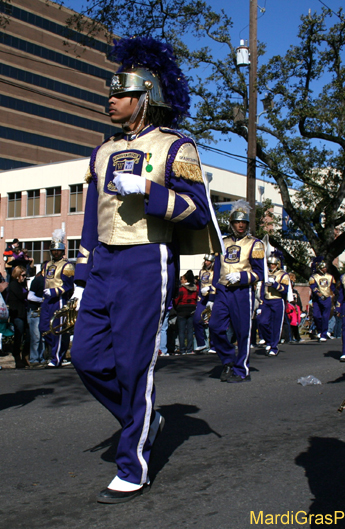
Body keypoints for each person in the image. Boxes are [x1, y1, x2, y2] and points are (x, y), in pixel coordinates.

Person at [70, 36, 221, 504]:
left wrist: (150, 193)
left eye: (121, 93)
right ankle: (143, 417)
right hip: (104, 263)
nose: (111, 99)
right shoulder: (101, 150)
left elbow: (199, 213)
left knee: (136, 365)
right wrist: (83, 259)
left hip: (147, 258)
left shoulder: (177, 147)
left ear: (146, 97)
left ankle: (132, 466)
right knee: (85, 357)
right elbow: (92, 209)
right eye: (110, 93)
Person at [209, 200, 265, 383]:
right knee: (215, 327)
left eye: (244, 222)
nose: (241, 225)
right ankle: (228, 360)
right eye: (237, 222)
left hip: (242, 292)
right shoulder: (222, 242)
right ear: (231, 223)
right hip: (223, 291)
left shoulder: (255, 244)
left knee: (243, 332)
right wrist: (212, 295)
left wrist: (241, 277)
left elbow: (259, 273)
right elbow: (216, 270)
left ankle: (242, 370)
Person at [40, 229, 74, 368]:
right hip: (47, 300)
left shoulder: (67, 266)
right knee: (43, 328)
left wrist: (53, 292)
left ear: (62, 251)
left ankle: (57, 357)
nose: (55, 253)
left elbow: (68, 286)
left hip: (59, 300)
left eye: (58, 251)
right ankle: (58, 350)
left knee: (58, 330)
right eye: (53, 250)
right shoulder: (47, 265)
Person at [257, 252, 290, 356]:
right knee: (262, 322)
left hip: (277, 300)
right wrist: (261, 304)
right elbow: (262, 290)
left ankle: (274, 346)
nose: (272, 266)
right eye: (270, 264)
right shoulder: (266, 274)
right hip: (267, 301)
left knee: (276, 325)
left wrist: (275, 284)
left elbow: (285, 290)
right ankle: (269, 340)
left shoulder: (283, 275)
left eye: (274, 264)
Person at [6, 265, 30, 368]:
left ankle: (25, 355)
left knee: (28, 336)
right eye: (23, 275)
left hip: (24, 313)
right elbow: (21, 296)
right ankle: (17, 357)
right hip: (17, 314)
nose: (24, 277)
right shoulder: (13, 285)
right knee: (18, 336)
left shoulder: (23, 285)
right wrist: (30, 293)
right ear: (17, 275)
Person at [193, 254, 216, 353]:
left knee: (213, 323)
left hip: (213, 297)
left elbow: (217, 284)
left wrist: (211, 292)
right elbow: (201, 284)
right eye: (205, 260)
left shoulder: (216, 272)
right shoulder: (202, 271)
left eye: (208, 261)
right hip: (202, 298)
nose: (206, 262)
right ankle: (201, 343)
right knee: (197, 319)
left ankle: (214, 346)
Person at [308, 257, 335, 341]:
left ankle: (324, 333)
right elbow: (313, 287)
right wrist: (319, 294)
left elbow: (333, 288)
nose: (325, 269)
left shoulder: (330, 277)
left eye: (325, 267)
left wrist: (332, 295)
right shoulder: (314, 277)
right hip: (317, 299)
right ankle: (319, 330)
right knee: (316, 315)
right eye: (323, 267)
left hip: (327, 298)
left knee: (325, 316)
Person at [173, 270, 198, 355]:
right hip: (191, 308)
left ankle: (182, 349)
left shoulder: (181, 289)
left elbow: (176, 299)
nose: (181, 280)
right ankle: (190, 348)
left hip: (181, 309)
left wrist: (176, 307)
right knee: (190, 330)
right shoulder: (195, 288)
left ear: (186, 280)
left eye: (182, 279)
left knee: (181, 330)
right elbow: (196, 299)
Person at [26, 268, 46, 366]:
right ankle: (34, 359)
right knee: (36, 337)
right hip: (34, 311)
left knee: (42, 336)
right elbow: (30, 296)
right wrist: (42, 300)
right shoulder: (38, 280)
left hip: (43, 312)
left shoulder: (49, 281)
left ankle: (41, 357)